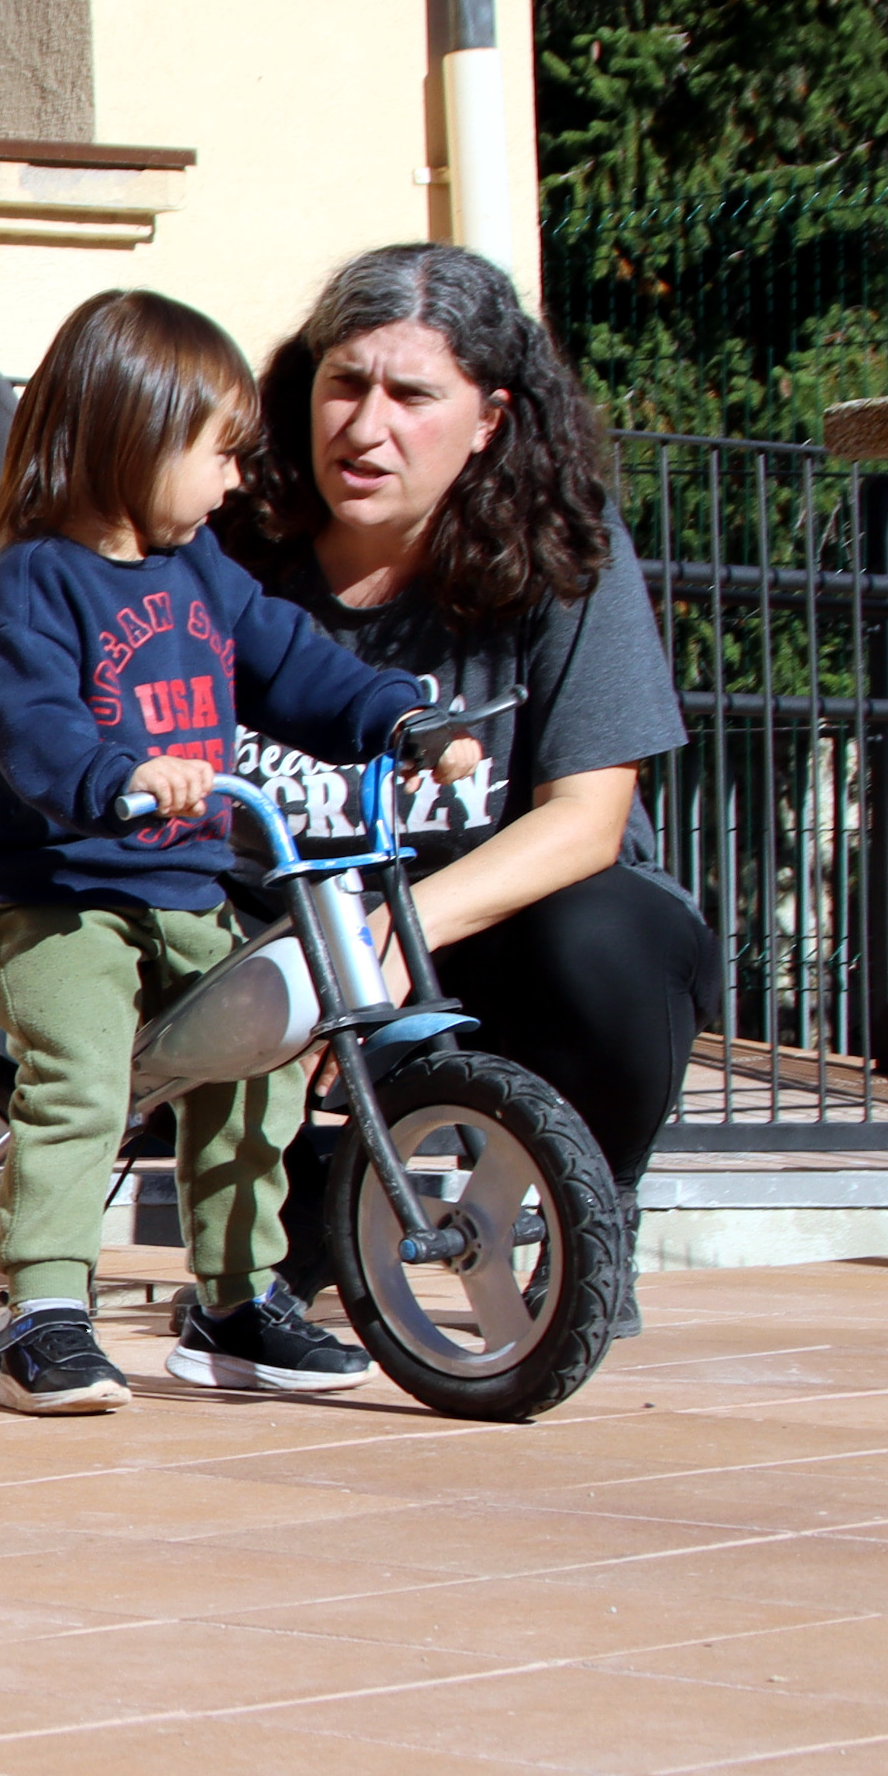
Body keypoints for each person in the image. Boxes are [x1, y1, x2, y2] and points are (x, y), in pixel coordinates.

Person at [0, 290, 472, 1415]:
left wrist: (397, 716)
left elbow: (295, 664)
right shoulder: (36, 581)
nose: (236, 482)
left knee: (262, 1056)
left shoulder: (205, 576)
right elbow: (30, 722)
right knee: (83, 1075)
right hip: (57, 894)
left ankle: (234, 1304)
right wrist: (119, 775)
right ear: (135, 436)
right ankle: (43, 1313)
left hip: (181, 889)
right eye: (219, 455)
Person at [222, 244, 718, 1330]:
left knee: (615, 935)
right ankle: (279, 1231)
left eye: (412, 394)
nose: (365, 425)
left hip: (484, 922)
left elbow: (588, 818)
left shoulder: (561, 553)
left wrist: (397, 939)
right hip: (267, 925)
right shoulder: (225, 547)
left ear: (488, 418)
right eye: (344, 382)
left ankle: (590, 1219)